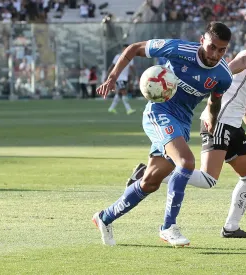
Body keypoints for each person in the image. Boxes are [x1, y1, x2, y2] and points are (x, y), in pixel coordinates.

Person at [126, 27, 246, 238]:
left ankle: (231, 228)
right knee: (208, 179)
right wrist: (212, 105)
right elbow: (226, 70)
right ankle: (148, 174)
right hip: (220, 122)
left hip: (234, 125)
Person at [92, 22, 233, 246]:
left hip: (182, 122)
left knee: (150, 182)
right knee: (186, 162)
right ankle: (169, 227)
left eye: (222, 50)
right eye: (211, 47)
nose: (215, 54)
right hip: (159, 112)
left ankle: (104, 217)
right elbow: (133, 49)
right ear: (202, 41)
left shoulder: (223, 75)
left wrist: (212, 120)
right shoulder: (177, 49)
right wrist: (113, 77)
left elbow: (215, 99)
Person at [107, 45, 136, 115]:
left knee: (119, 93)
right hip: (119, 77)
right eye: (125, 49)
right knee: (124, 92)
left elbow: (131, 68)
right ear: (123, 49)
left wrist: (135, 75)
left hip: (125, 78)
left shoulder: (130, 57)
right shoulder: (118, 56)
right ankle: (128, 109)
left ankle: (111, 108)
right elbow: (112, 65)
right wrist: (108, 74)